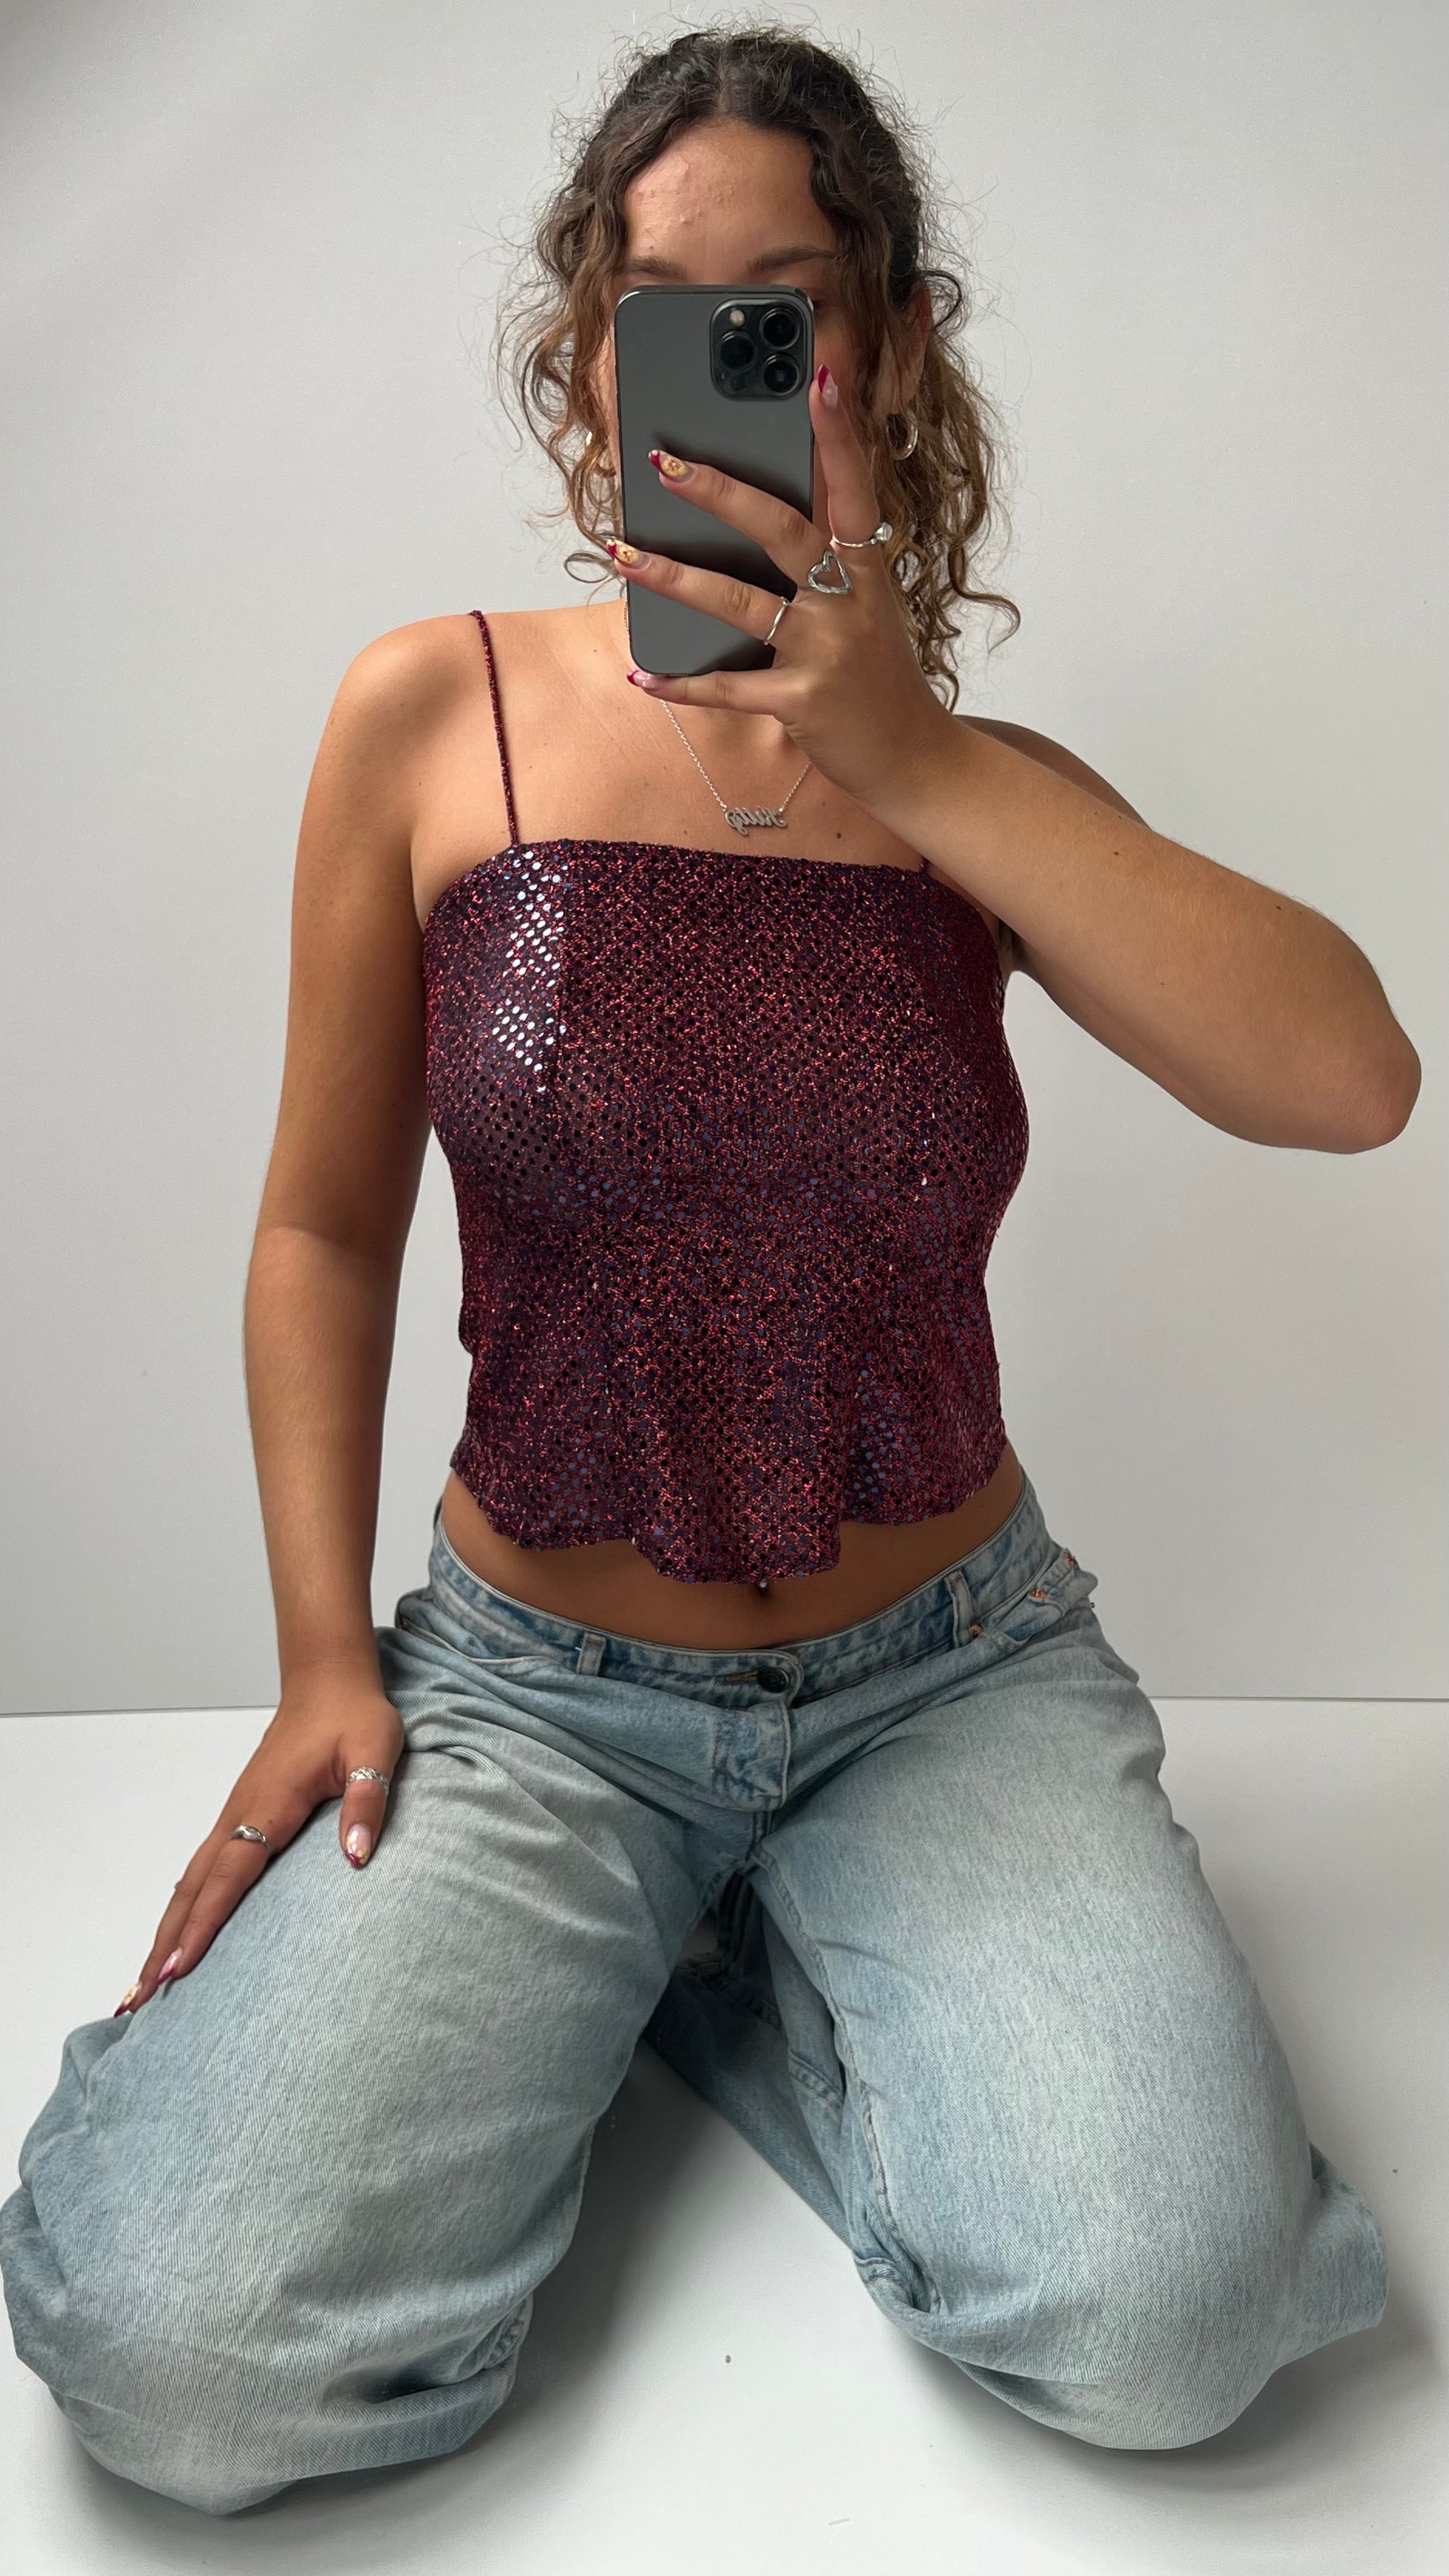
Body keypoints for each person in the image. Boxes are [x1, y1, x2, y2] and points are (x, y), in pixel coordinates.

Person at [1, 22, 1414, 2521]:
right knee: (174, 2361)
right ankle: (628, 1969)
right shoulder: (433, 715)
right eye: (673, 313)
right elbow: (321, 1221)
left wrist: (913, 752)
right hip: (529, 1690)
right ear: (595, 357)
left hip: (942, 1679)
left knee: (1171, 2328)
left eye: (785, 309)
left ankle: (733, 1975)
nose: (730, 367)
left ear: (886, 347)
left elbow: (1352, 1078)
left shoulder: (985, 800)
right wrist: (323, 1653)